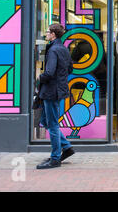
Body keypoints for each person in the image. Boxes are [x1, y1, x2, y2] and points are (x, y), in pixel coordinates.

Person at [36, 23, 75, 169]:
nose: (46, 34)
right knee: (45, 120)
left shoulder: (53, 50)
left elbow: (50, 72)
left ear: (53, 34)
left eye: (47, 32)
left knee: (52, 124)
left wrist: (40, 77)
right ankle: (66, 147)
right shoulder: (64, 49)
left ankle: (55, 158)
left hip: (51, 91)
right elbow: (70, 68)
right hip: (58, 89)